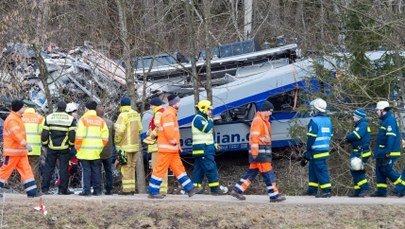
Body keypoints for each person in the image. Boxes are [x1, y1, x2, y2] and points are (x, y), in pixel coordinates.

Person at [230, 101, 286, 202]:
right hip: (260, 153)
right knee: (268, 173)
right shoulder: (259, 121)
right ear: (266, 111)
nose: (271, 113)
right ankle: (274, 195)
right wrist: (255, 153)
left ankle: (237, 190)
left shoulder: (263, 120)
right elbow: (254, 137)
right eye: (270, 111)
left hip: (260, 153)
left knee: (252, 173)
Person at [147, 95, 201, 199]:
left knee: (179, 169)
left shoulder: (170, 113)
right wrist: (175, 142)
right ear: (175, 103)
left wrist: (176, 145)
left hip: (171, 148)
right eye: (178, 102)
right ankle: (153, 191)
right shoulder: (169, 114)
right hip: (168, 148)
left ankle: (190, 188)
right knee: (160, 170)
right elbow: (169, 132)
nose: (180, 104)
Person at [0, 99, 40, 197]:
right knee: (4, 172)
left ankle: (32, 192)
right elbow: (16, 135)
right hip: (13, 152)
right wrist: (25, 144)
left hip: (20, 152)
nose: (25, 108)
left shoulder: (16, 118)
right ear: (19, 108)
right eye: (24, 107)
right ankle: (32, 192)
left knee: (27, 171)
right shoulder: (12, 119)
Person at [191, 100, 226, 195]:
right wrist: (212, 119)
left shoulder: (203, 119)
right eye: (209, 109)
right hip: (203, 149)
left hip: (204, 148)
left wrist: (214, 144)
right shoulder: (198, 119)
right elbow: (206, 129)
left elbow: (208, 136)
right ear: (203, 109)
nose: (210, 111)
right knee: (211, 168)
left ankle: (195, 188)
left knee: (199, 170)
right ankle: (215, 189)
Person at [41, 101, 76, 195]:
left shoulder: (49, 117)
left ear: (57, 107)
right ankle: (62, 190)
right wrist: (71, 145)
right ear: (65, 108)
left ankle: (44, 189)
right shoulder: (70, 119)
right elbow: (72, 135)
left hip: (51, 147)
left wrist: (45, 144)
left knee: (48, 168)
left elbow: (44, 133)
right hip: (64, 148)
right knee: (64, 169)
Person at [75, 101, 109, 196]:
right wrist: (100, 146)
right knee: (96, 171)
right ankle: (97, 191)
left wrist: (77, 147)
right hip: (96, 151)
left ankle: (87, 191)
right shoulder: (101, 121)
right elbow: (105, 137)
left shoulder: (83, 120)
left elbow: (79, 135)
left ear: (87, 109)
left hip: (84, 150)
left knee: (86, 171)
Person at [300, 98, 333, 198]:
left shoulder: (314, 121)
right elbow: (330, 134)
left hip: (316, 149)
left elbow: (311, 138)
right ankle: (312, 189)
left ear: (316, 109)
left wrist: (308, 150)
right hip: (324, 149)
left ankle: (326, 190)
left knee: (320, 170)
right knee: (313, 169)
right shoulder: (328, 120)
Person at [372, 101, 405, 197]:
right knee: (379, 169)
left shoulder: (389, 121)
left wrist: (387, 152)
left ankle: (401, 186)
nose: (376, 112)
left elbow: (390, 138)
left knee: (386, 169)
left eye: (377, 110)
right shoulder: (385, 120)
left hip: (389, 152)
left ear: (382, 110)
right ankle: (381, 191)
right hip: (382, 152)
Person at [114, 96, 142, 195]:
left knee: (125, 167)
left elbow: (119, 131)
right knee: (132, 167)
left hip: (125, 147)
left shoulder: (122, 115)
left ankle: (127, 190)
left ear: (121, 105)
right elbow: (140, 129)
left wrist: (117, 141)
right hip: (135, 146)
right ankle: (132, 189)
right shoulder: (136, 114)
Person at [143, 97, 169, 196]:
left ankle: (157, 189)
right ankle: (163, 189)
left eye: (150, 105)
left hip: (157, 145)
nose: (149, 107)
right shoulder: (163, 112)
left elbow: (158, 127)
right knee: (162, 167)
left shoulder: (158, 113)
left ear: (154, 105)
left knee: (157, 168)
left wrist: (151, 135)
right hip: (162, 145)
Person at [345, 109, 371, 197]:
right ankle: (358, 190)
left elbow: (357, 135)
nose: (353, 117)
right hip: (357, 151)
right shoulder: (360, 125)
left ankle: (365, 188)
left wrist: (348, 137)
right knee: (355, 170)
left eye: (354, 115)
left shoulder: (363, 124)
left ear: (359, 117)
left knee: (357, 171)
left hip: (361, 151)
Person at [22, 106, 44, 189]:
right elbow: (43, 133)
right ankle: (33, 187)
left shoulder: (21, 118)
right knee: (34, 168)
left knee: (24, 168)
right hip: (35, 148)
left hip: (23, 147)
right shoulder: (40, 118)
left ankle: (24, 187)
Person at [96, 105, 114, 195]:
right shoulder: (110, 123)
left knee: (97, 171)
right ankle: (109, 189)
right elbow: (114, 137)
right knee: (108, 171)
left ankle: (98, 189)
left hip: (97, 151)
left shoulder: (94, 123)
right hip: (108, 150)